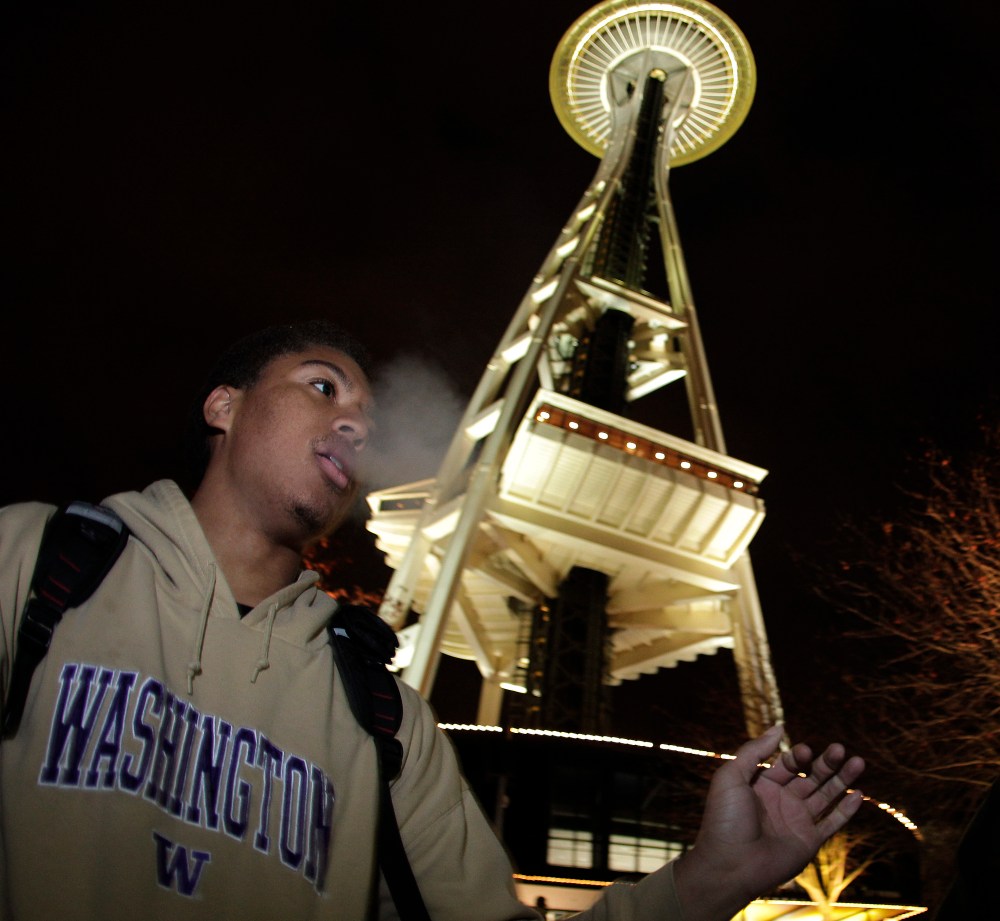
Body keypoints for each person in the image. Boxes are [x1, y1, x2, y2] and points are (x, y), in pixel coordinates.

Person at [0, 320, 865, 920]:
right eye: (322, 385)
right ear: (223, 406)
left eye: (369, 421)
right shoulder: (34, 570)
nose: (353, 421)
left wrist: (711, 879)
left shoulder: (382, 723)